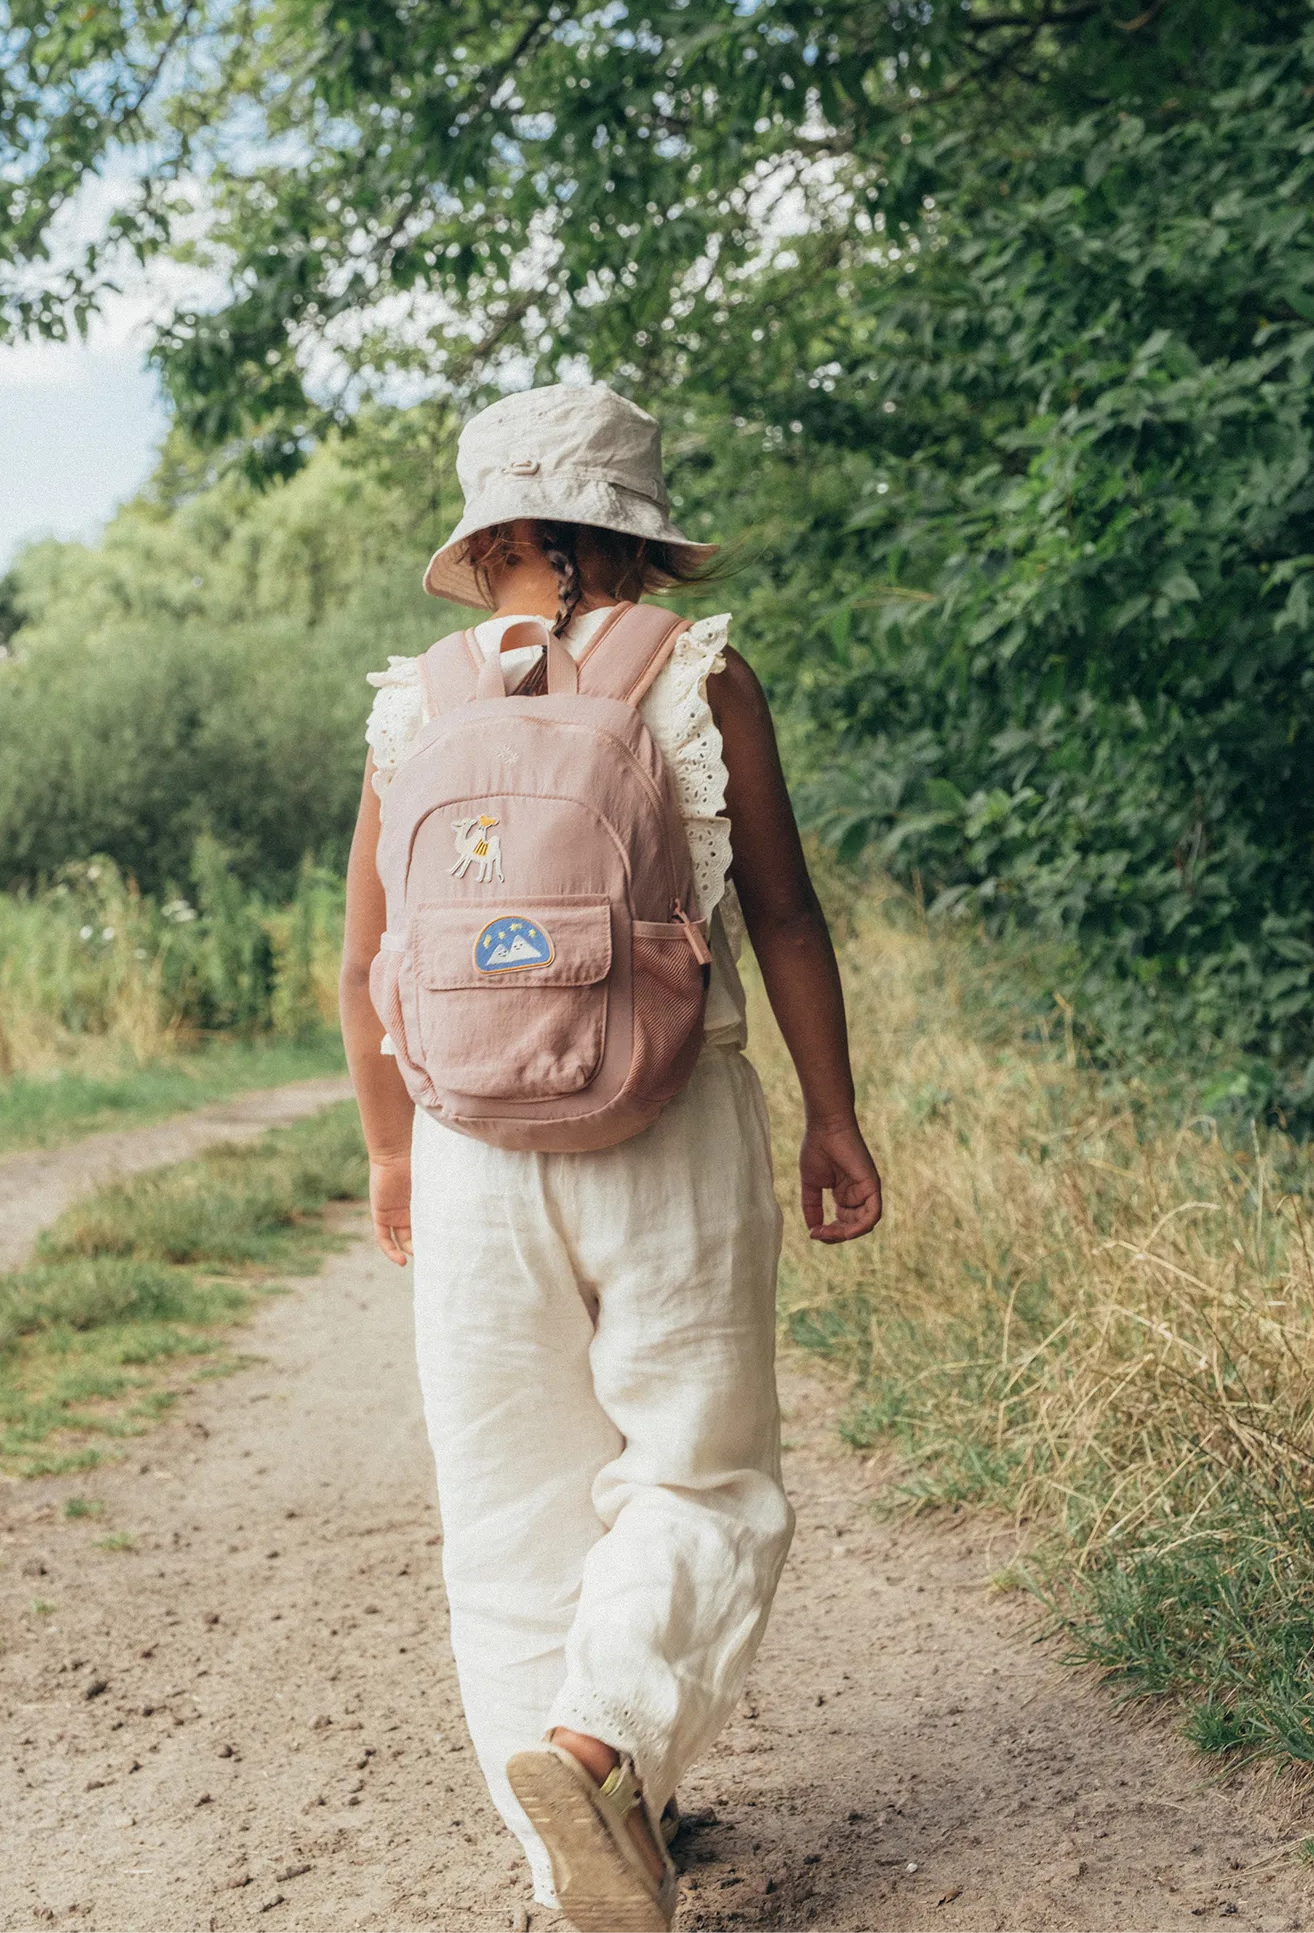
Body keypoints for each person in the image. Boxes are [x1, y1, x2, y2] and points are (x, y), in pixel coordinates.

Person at [339, 384, 882, 1932]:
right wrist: (833, 1114)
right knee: (700, 1477)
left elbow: (363, 958)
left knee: (511, 1504)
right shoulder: (705, 678)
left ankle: (565, 1861)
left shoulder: (416, 705)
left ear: (490, 534)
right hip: (671, 1116)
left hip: (468, 1151)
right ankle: (603, 1750)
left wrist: (390, 1155)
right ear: (634, 535)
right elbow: (782, 915)